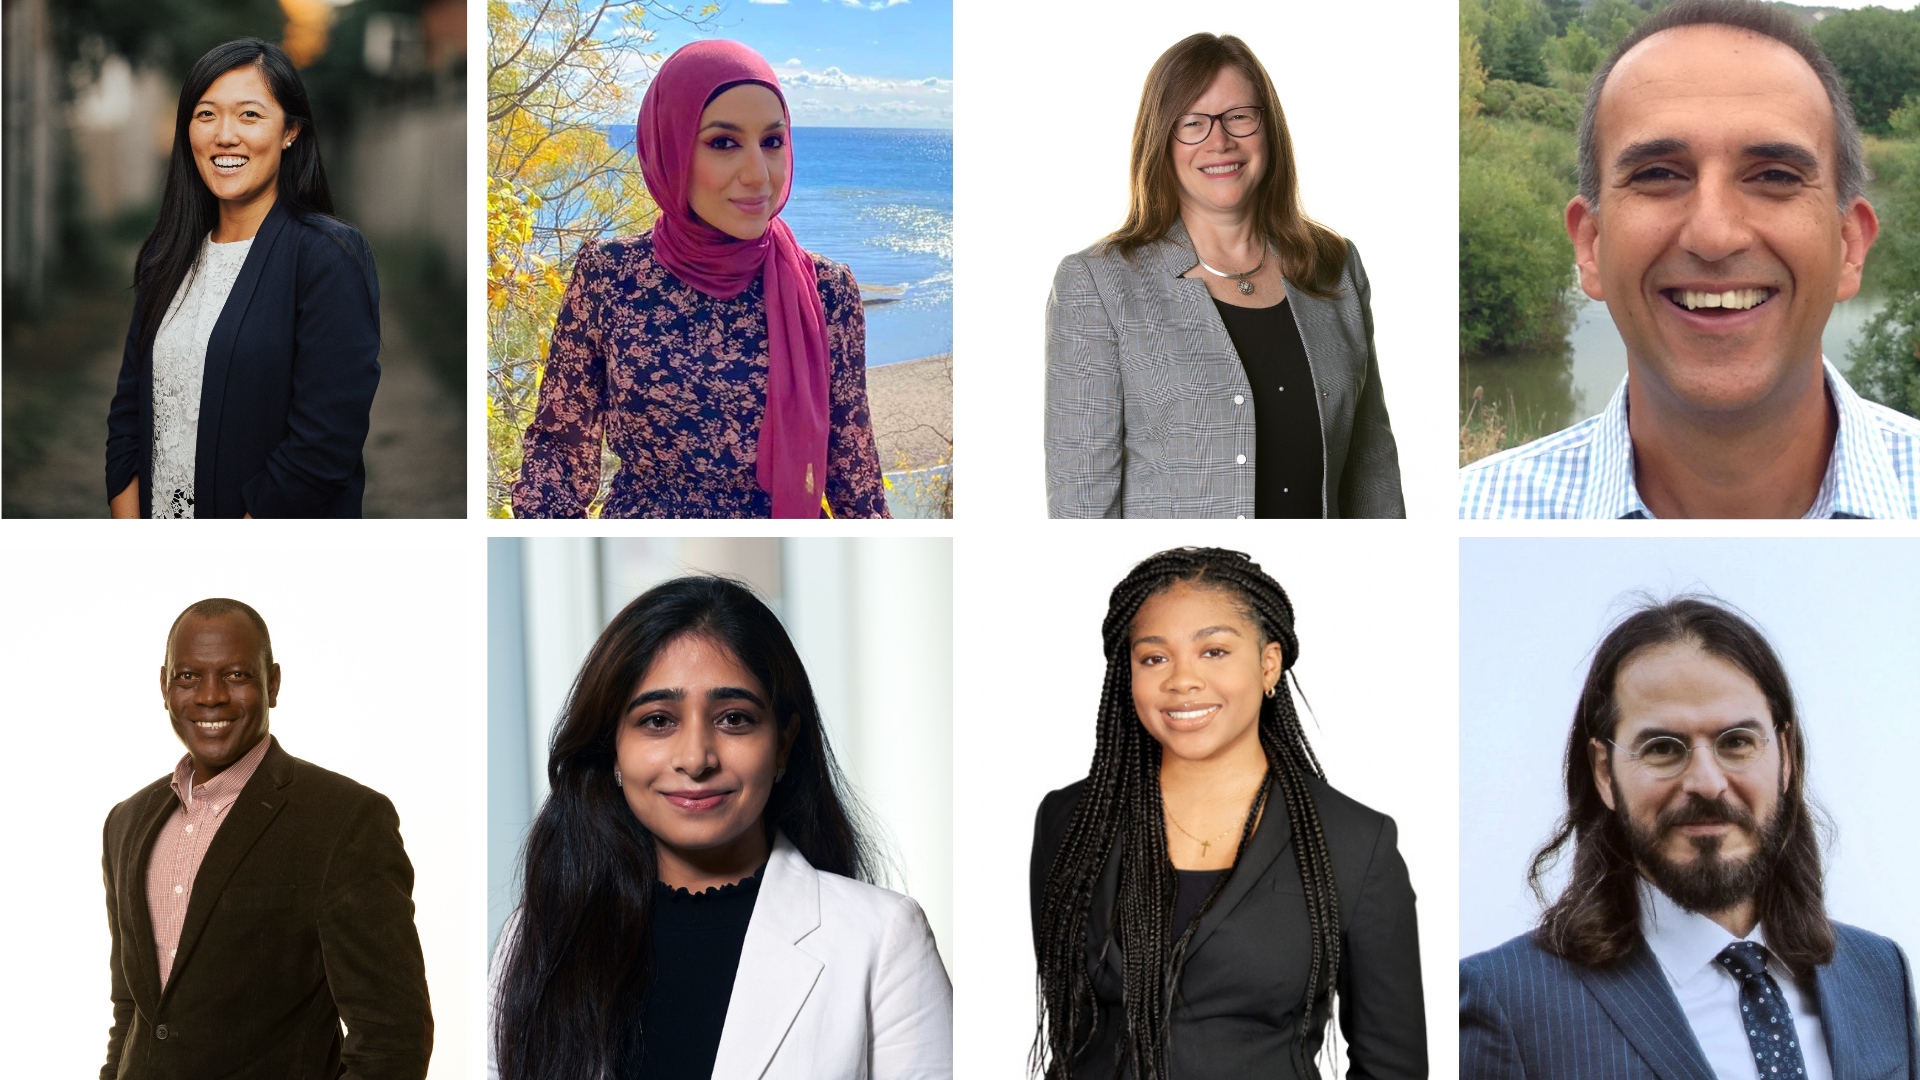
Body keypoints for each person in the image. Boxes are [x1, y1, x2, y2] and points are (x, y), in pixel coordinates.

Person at [1459, 0, 1920, 519]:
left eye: (1774, 176)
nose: (1714, 234)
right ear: (1590, 245)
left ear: (1849, 246)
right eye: (1658, 174)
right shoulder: (1469, 518)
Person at [490, 576, 950, 1079]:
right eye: (658, 721)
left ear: (782, 744)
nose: (695, 759)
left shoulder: (882, 939)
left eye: (734, 719)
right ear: (612, 748)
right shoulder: (538, 934)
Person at [1460, 598, 1920, 1077]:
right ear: (1603, 772)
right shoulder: (1508, 1003)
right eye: (1662, 748)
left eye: (1737, 741)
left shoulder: (1878, 973)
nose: (1707, 781)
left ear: (1784, 755)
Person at [1030, 548, 1424, 1079]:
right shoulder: (1070, 820)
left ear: (1268, 664)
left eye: (1213, 651)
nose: (1182, 680)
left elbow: (1391, 1066)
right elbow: (1070, 1037)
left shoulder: (1355, 841)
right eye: (1153, 658)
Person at [513, 41, 889, 519]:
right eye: (724, 142)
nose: (758, 175)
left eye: (772, 141)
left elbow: (855, 482)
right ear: (670, 149)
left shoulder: (826, 292)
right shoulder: (610, 275)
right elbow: (558, 455)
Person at [1043, 34, 1403, 519]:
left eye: (1239, 116)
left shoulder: (1334, 267)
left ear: (1268, 127)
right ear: (1161, 142)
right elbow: (1081, 508)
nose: (1220, 141)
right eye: (1192, 123)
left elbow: (1372, 473)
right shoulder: (1099, 284)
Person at [100, 599, 431, 1078]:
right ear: (164, 685)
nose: (210, 696)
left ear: (272, 683)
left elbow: (392, 1036)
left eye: (236, 675)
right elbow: (131, 1009)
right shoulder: (126, 823)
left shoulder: (343, 820)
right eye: (188, 677)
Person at [105, 39, 381, 519]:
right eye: (206, 114)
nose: (224, 135)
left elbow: (324, 443)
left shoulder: (326, 257)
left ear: (290, 131)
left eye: (249, 115)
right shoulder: (164, 256)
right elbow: (129, 409)